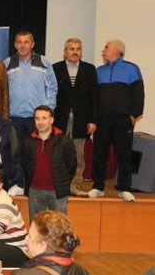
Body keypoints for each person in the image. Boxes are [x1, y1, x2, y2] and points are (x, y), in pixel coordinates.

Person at [89, 39, 144, 202]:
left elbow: (139, 94)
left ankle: (125, 188)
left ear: (116, 50)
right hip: (102, 120)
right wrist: (93, 119)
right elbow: (94, 98)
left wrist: (134, 115)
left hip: (123, 120)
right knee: (100, 154)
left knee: (124, 155)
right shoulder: (99, 71)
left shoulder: (131, 69)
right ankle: (98, 187)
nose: (103, 50)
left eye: (106, 47)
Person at [52, 38, 98, 197]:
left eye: (78, 49)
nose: (75, 52)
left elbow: (94, 96)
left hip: (81, 119)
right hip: (59, 119)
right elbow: (51, 93)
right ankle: (60, 185)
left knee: (78, 156)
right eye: (71, 49)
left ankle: (76, 184)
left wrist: (93, 120)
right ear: (65, 51)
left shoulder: (89, 69)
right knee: (58, 154)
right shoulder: (55, 68)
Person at [22, 106, 77, 222]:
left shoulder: (64, 141)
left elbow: (72, 166)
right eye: (37, 118)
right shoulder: (28, 141)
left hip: (57, 192)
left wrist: (63, 183)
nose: (40, 122)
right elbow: (25, 165)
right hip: (35, 191)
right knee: (36, 227)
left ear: (51, 120)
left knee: (60, 227)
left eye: (44, 118)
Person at [4, 31, 58, 144]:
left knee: (36, 151)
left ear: (32, 44)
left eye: (26, 42)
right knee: (15, 151)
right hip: (14, 118)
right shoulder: (7, 63)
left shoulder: (44, 62)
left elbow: (52, 87)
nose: (23, 46)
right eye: (19, 42)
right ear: (15, 45)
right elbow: (3, 89)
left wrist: (48, 109)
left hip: (37, 118)